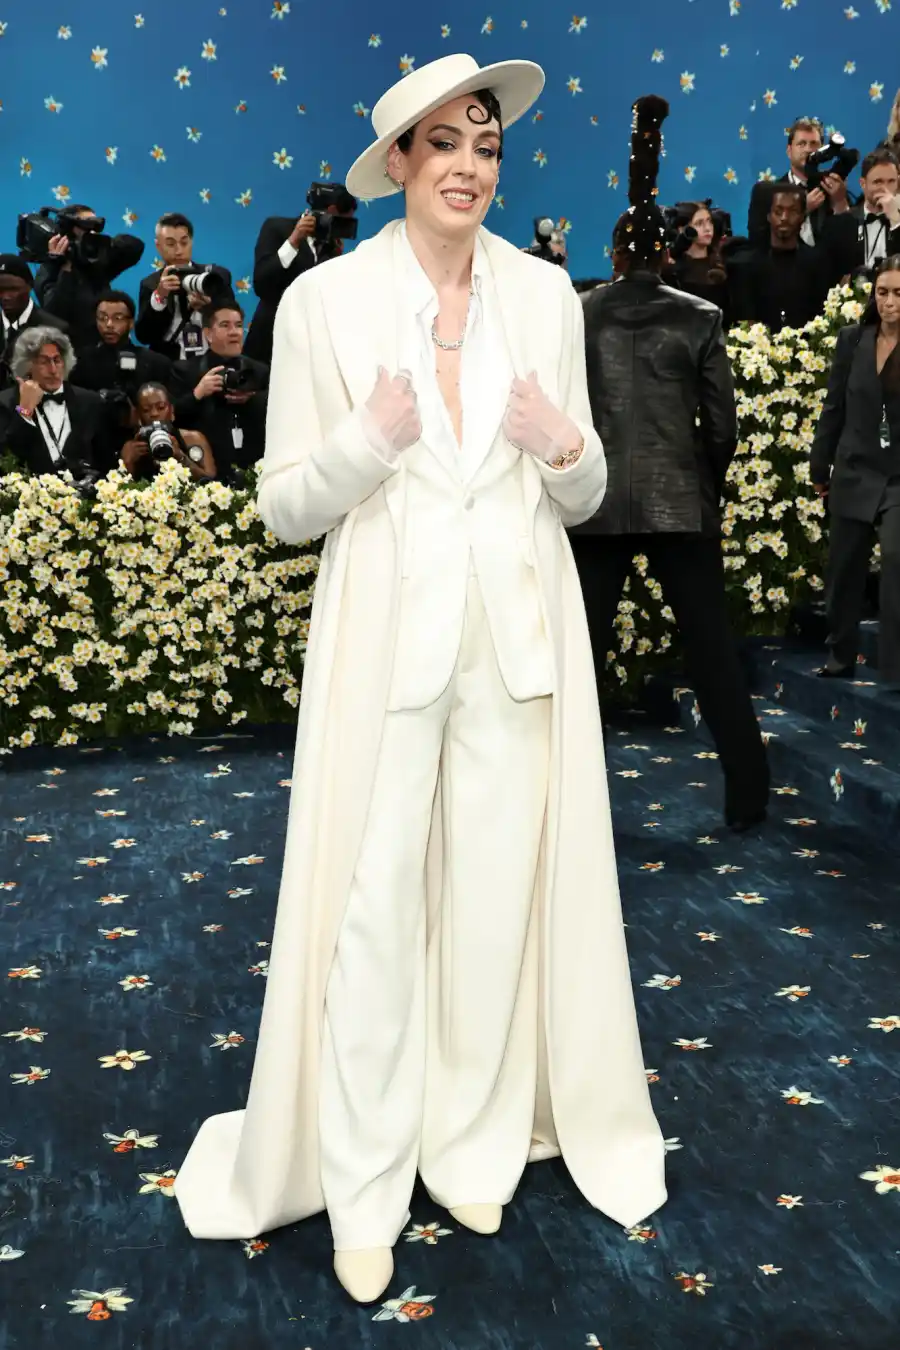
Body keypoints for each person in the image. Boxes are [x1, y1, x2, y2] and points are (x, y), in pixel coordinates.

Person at [173, 52, 666, 1305]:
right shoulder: (326, 304)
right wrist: (365, 442)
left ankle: (473, 1145)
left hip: (516, 640)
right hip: (384, 645)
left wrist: (562, 448)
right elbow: (287, 506)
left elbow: (589, 486)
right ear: (396, 163)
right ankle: (364, 1178)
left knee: (497, 907)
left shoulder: (550, 296)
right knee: (374, 913)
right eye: (443, 143)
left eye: (486, 145)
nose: (468, 166)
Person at [578, 94, 769, 831]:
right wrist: (700, 486)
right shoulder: (703, 317)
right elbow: (720, 427)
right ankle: (748, 799)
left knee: (579, 666)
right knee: (713, 656)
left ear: (617, 249)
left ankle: (564, 811)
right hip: (679, 503)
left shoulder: (578, 311)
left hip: (594, 505)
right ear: (665, 252)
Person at [810, 256, 900, 684]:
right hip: (852, 466)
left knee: (897, 564)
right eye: (882, 292)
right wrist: (818, 465)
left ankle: (895, 666)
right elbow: (833, 408)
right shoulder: (852, 340)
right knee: (844, 570)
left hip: (898, 477)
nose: (889, 302)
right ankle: (840, 654)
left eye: (898, 293)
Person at [244, 187, 358, 365]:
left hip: (307, 350)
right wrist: (293, 242)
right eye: (341, 222)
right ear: (331, 212)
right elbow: (261, 283)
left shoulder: (331, 248)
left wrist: (336, 261)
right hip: (269, 343)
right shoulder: (277, 228)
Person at [170, 301, 269, 481]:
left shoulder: (259, 371)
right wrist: (198, 393)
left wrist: (253, 398)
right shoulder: (186, 370)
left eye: (238, 326)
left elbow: (280, 411)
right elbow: (172, 416)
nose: (234, 332)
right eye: (225, 325)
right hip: (207, 474)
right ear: (208, 333)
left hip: (255, 470)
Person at [0, 326, 115, 478]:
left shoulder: (91, 402)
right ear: (28, 365)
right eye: (44, 362)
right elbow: (6, 458)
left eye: (57, 360)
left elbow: (104, 462)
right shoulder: (5, 402)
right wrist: (25, 412)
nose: (53, 369)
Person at [69, 291, 173, 457]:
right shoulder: (80, 362)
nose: (109, 324)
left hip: (145, 447)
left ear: (131, 323)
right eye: (102, 318)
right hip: (95, 447)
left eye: (117, 318)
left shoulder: (156, 363)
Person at [33, 204, 145, 351]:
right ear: (69, 230)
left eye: (94, 226)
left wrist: (102, 243)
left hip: (102, 352)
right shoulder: (49, 269)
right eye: (86, 225)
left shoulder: (97, 262)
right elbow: (55, 314)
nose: (92, 231)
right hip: (69, 355)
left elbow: (135, 247)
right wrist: (64, 266)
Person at [730, 186, 834, 332]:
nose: (784, 218)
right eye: (778, 211)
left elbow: (822, 315)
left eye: (792, 211)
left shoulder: (817, 263)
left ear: (803, 217)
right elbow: (746, 318)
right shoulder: (749, 265)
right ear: (768, 216)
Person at [134, 213, 234, 364]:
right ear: (158, 246)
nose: (179, 250)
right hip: (170, 364)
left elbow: (233, 322)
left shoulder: (212, 277)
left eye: (184, 242)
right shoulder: (150, 284)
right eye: (171, 244)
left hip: (212, 360)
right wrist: (160, 296)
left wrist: (210, 308)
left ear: (191, 242)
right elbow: (144, 336)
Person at [746, 117, 851, 249]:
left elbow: (848, 241)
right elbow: (757, 241)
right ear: (789, 151)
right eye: (801, 144)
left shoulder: (832, 187)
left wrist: (840, 203)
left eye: (814, 144)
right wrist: (801, 209)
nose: (808, 149)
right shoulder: (766, 193)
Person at [822, 148, 900, 279]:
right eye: (878, 182)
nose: (885, 188)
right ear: (863, 184)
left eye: (891, 181)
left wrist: (896, 221)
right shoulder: (839, 225)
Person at [118, 381, 216, 482]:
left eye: (160, 407)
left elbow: (209, 483)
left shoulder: (193, 438)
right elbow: (119, 489)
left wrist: (180, 456)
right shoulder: (131, 447)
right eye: (146, 410)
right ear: (138, 416)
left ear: (171, 410)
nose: (154, 414)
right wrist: (128, 463)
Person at [0, 254, 69, 393]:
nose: (5, 296)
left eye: (13, 289)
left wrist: (23, 411)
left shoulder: (55, 330)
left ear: (30, 285)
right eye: (0, 290)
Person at [667, 201, 730, 314]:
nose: (708, 228)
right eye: (699, 223)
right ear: (682, 229)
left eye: (709, 221)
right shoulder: (674, 270)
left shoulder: (722, 262)